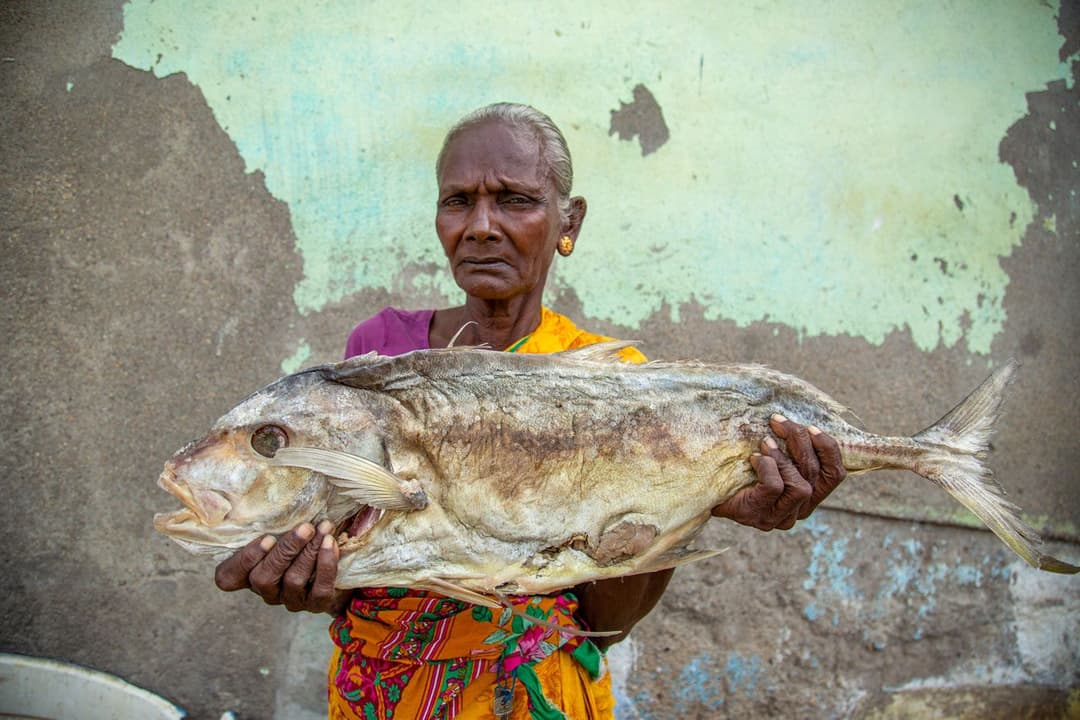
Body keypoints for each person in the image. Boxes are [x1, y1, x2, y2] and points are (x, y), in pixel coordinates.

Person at [214, 103, 847, 720]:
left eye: (515, 199)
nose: (481, 225)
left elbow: (609, 622)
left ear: (569, 222)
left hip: (534, 698)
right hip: (383, 691)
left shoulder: (615, 384)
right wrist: (306, 575)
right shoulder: (379, 356)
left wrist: (690, 502)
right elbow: (367, 558)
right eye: (458, 200)